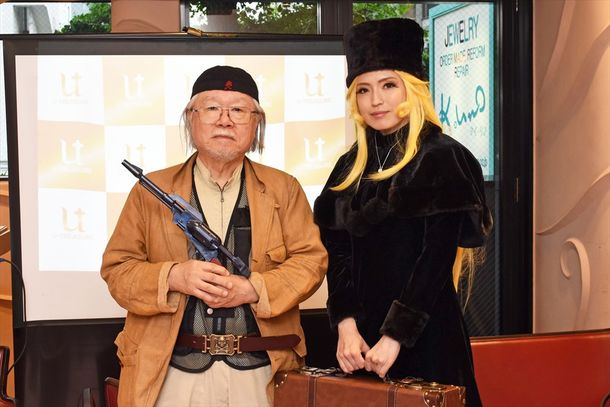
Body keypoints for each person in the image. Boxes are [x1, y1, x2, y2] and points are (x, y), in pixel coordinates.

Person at [101, 65, 328, 407]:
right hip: (169, 373)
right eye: (211, 108)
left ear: (256, 123)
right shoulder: (150, 191)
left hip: (263, 371)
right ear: (190, 119)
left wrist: (254, 288)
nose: (225, 120)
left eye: (238, 110)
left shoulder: (284, 188)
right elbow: (117, 271)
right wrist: (174, 276)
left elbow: (311, 262)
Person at [313, 18, 492, 407]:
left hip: (428, 339)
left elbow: (435, 260)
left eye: (388, 85)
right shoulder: (348, 168)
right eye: (364, 90)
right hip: (359, 346)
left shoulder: (442, 157)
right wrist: (345, 326)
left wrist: (395, 335)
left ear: (412, 88)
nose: (376, 100)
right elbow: (338, 257)